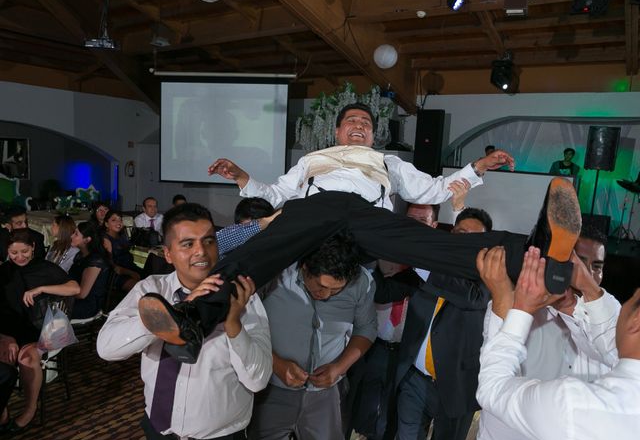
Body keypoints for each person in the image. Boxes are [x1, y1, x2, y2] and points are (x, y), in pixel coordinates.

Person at [139, 104, 581, 363]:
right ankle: (194, 320)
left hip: (367, 217)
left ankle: (538, 255)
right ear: (337, 132)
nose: (358, 126)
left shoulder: (388, 162)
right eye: (351, 121)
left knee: (434, 247)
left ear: (373, 134)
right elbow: (276, 194)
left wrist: (476, 168)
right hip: (315, 211)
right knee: (257, 255)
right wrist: (241, 178)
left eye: (365, 125)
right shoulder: (314, 159)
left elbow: (434, 190)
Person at [97, 203, 272, 440]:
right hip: (158, 437)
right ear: (168, 253)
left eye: (209, 241)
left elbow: (258, 380)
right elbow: (106, 348)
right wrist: (170, 315)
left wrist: (233, 323)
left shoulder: (242, 297)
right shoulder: (151, 289)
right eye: (187, 244)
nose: (201, 251)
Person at [476, 247, 640, 440]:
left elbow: (493, 387)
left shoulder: (574, 402)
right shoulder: (511, 308)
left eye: (597, 267)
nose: (586, 273)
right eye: (579, 264)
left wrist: (519, 306)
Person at [247, 231, 376, 440]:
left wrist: (339, 368)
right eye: (320, 286)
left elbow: (367, 328)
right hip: (271, 390)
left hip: (326, 396)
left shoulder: (363, 282)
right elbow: (244, 325)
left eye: (336, 291)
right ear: (304, 266)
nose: (325, 295)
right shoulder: (275, 272)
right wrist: (276, 364)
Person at [375, 208, 492, 440]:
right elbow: (386, 290)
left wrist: (424, 264)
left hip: (457, 388)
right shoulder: (428, 266)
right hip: (414, 381)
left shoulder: (488, 280)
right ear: (452, 234)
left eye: (473, 238)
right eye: (461, 234)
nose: (465, 242)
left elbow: (472, 298)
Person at [0, 229, 80, 432]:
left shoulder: (45, 268)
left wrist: (42, 289)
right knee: (3, 359)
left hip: (44, 328)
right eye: (14, 253)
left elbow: (75, 288)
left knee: (27, 358)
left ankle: (29, 409)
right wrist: (6, 336)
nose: (19, 257)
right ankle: (2, 411)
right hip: (11, 330)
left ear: (33, 247)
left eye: (24, 251)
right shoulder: (3, 272)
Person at [69, 222, 111, 320]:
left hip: (87, 305)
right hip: (74, 298)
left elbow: (82, 294)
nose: (72, 236)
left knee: (46, 309)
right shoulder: (80, 255)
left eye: (76, 234)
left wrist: (60, 292)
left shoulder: (95, 261)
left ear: (87, 240)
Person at [102, 209, 141, 291]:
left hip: (130, 268)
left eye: (120, 220)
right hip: (116, 275)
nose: (118, 222)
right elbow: (111, 266)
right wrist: (131, 273)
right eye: (114, 220)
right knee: (141, 288)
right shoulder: (106, 240)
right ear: (106, 224)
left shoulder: (121, 236)